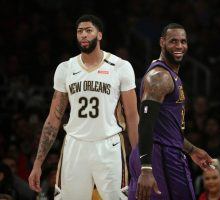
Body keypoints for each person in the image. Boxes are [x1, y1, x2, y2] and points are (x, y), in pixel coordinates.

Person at [28, 14, 139, 200]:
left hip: (108, 143)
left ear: (100, 35)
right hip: (75, 144)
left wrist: (139, 160)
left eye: (89, 30)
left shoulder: (120, 66)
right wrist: (38, 163)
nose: (84, 35)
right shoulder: (65, 68)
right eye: (80, 31)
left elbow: (132, 116)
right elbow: (53, 118)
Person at [128, 23, 213, 200]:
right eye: (173, 41)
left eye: (183, 41)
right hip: (157, 156)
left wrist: (192, 150)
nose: (179, 46)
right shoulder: (159, 77)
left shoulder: (170, 75)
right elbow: (145, 125)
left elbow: (167, 129)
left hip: (163, 151)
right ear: (162, 42)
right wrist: (146, 168)